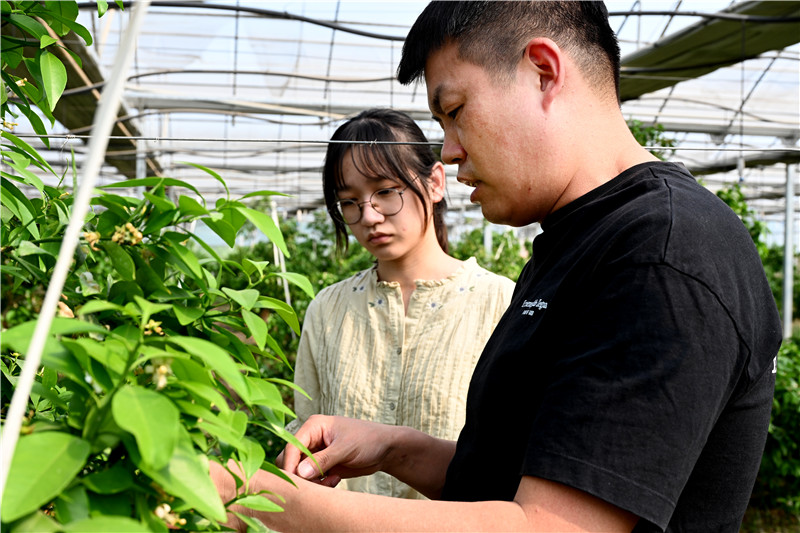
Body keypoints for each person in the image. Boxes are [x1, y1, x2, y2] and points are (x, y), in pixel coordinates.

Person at [211, 2, 782, 531]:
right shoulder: (573, 243)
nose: (450, 150)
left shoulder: (661, 251)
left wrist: (257, 497)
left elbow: (548, 526)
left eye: (455, 111)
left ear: (542, 71)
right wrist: (392, 446)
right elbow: (514, 477)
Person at [286, 107, 515, 499]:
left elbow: (511, 456)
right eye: (349, 202)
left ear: (435, 183)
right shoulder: (328, 309)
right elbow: (305, 437)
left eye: (386, 192)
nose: (369, 216)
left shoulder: (501, 303)